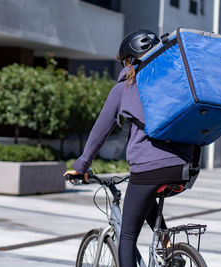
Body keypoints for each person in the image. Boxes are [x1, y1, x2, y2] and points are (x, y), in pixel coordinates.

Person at [64, 29, 195, 267]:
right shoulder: (174, 84)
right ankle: (168, 250)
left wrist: (81, 166)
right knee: (146, 198)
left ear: (129, 60)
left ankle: (164, 250)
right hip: (184, 167)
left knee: (127, 236)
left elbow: (99, 132)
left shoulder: (124, 88)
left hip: (148, 168)